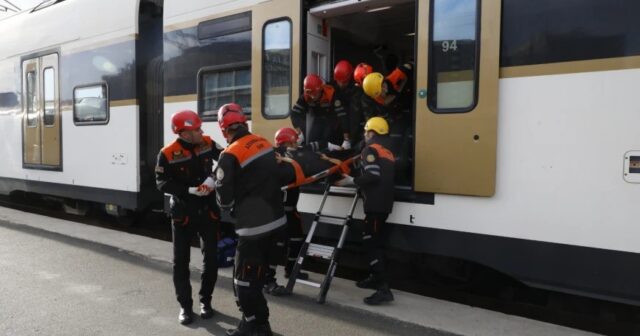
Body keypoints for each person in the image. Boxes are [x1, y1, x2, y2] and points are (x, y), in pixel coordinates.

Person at [214, 103, 286, 336]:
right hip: (277, 223)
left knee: (243, 281)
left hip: (253, 229)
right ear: (244, 123)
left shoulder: (229, 154)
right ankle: (258, 325)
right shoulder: (263, 143)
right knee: (257, 277)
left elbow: (224, 200)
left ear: (224, 130)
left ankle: (254, 325)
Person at [155, 109, 221, 325]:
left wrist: (212, 179)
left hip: (208, 210)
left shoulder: (208, 143)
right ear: (183, 133)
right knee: (180, 263)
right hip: (183, 213)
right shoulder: (167, 153)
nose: (202, 132)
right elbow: (161, 182)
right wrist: (189, 190)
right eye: (197, 129)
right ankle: (185, 307)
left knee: (211, 259)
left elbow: (228, 158)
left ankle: (206, 301)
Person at [353, 117, 395, 305]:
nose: (364, 135)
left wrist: (351, 180)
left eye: (366, 132)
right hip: (385, 205)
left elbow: (372, 175)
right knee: (376, 241)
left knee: (371, 244)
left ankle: (383, 289)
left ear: (372, 133)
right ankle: (374, 278)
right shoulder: (387, 152)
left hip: (375, 206)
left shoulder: (369, 150)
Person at [290, 74, 351, 150]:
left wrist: (346, 139)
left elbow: (342, 116)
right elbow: (294, 114)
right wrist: (300, 132)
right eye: (310, 94)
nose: (313, 97)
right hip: (318, 119)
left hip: (333, 120)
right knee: (311, 139)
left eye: (315, 93)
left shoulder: (331, 94)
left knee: (326, 139)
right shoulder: (306, 96)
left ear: (321, 89)